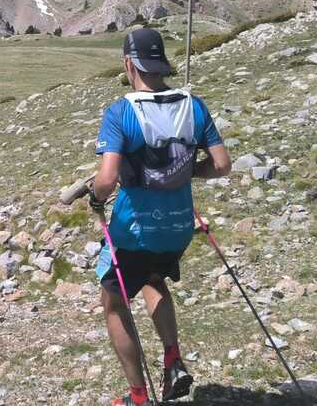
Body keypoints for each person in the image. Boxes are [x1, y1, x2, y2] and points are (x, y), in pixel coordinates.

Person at [91, 28, 231, 406]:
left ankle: (138, 397)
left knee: (114, 303)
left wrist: (96, 196)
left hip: (136, 230)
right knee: (153, 279)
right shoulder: (193, 106)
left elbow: (106, 179)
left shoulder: (120, 112)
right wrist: (185, 172)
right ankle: (172, 360)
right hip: (178, 227)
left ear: (129, 63)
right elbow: (221, 165)